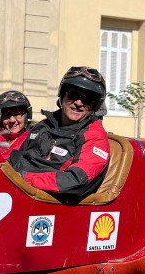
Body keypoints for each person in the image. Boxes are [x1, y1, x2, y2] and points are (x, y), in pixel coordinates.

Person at [9, 66, 110, 200]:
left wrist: (23, 178)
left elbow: (75, 180)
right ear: (62, 95)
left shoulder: (95, 137)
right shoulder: (44, 125)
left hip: (43, 201)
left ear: (95, 105)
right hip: (15, 189)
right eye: (73, 95)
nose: (78, 103)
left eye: (87, 99)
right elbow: (11, 154)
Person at [0, 90, 32, 159]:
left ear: (26, 116)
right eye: (6, 115)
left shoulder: (33, 140)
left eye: (17, 114)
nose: (12, 120)